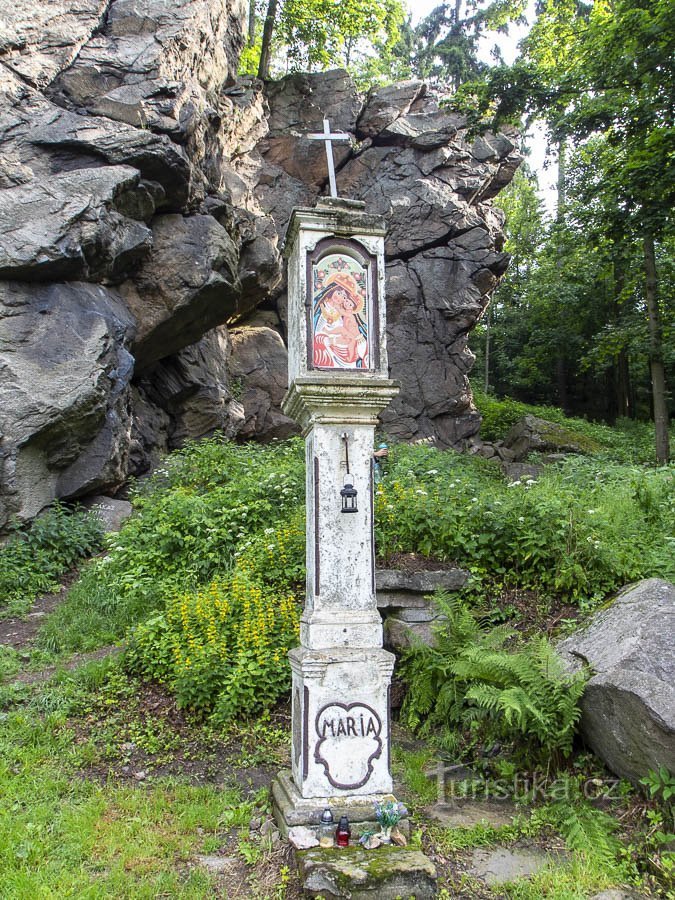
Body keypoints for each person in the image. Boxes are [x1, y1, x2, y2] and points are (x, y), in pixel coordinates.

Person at [312, 272, 368, 369]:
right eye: (338, 293)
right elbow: (315, 333)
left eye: (344, 296)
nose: (340, 298)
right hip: (326, 343)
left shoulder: (342, 312)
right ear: (331, 290)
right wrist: (332, 340)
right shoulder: (320, 307)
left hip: (343, 346)